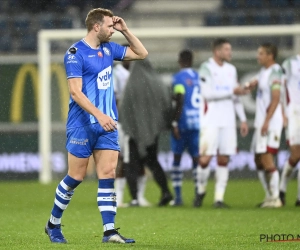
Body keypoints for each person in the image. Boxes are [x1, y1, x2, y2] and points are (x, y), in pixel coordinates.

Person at [44, 8, 148, 244]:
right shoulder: (75, 53)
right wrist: (99, 115)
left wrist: (126, 30)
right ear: (96, 26)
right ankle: (53, 223)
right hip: (82, 124)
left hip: (107, 123)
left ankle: (110, 231)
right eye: (110, 26)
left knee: (108, 173)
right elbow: (75, 92)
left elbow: (141, 53)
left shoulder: (109, 49)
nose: (113, 30)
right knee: (76, 176)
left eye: (114, 26)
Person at [195, 38, 249, 208]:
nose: (230, 53)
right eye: (226, 49)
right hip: (210, 120)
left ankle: (218, 198)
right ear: (217, 51)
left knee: (224, 159)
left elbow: (237, 97)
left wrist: (243, 119)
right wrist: (231, 91)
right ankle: (201, 190)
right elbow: (208, 94)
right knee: (204, 160)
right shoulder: (206, 68)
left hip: (228, 121)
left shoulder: (231, 70)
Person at [119, 58, 173, 207]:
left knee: (131, 163)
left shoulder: (132, 83)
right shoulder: (158, 82)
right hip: (153, 130)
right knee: (152, 161)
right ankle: (166, 191)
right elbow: (167, 103)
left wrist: (131, 125)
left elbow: (125, 108)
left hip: (134, 130)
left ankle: (135, 198)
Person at [247, 43, 284, 208]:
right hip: (261, 122)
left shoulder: (276, 71)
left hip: (270, 122)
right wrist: (252, 84)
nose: (258, 56)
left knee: (267, 159)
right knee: (258, 160)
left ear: (270, 55)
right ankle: (269, 196)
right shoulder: (264, 72)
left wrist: (267, 120)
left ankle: (276, 198)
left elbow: (276, 98)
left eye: (261, 53)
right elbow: (260, 82)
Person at [113, 56, 151, 207]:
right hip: (122, 122)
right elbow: (115, 98)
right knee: (122, 158)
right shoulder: (117, 73)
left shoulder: (139, 73)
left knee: (140, 158)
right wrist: (117, 119)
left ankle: (139, 197)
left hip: (138, 122)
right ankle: (118, 197)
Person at [170, 49, 201, 206]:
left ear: (180, 61)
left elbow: (180, 99)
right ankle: (198, 193)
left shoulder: (178, 78)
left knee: (177, 159)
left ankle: (178, 197)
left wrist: (174, 122)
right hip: (197, 123)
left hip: (182, 124)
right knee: (196, 159)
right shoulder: (198, 76)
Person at [279, 53, 300, 206]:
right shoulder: (291, 63)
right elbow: (280, 88)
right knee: (296, 154)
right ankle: (281, 189)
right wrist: (283, 113)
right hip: (294, 113)